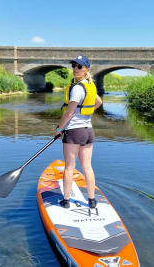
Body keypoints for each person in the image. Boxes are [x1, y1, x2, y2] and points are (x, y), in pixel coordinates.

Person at [54, 55, 103, 209]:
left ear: (86, 69)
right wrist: (85, 114)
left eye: (79, 66)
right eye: (74, 66)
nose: (75, 69)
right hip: (88, 131)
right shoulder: (90, 86)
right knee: (87, 167)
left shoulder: (76, 88)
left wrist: (60, 129)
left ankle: (66, 201)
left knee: (69, 167)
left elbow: (68, 113)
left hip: (74, 132)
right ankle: (92, 200)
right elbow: (99, 102)